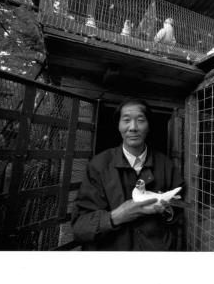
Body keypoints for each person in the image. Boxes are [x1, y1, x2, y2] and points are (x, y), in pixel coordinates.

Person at [71, 99, 185, 250]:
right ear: (118, 126)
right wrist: (118, 215)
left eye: (140, 120)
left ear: (148, 126)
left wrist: (167, 210)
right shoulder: (98, 165)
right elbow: (80, 227)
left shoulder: (166, 165)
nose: (133, 127)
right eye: (126, 120)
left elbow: (180, 211)